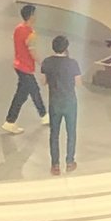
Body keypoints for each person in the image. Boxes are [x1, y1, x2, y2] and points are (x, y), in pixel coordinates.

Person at [2, 4, 49, 134]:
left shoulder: (18, 29)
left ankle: (10, 121)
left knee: (22, 95)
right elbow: (32, 51)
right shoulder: (30, 33)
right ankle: (44, 116)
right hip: (26, 67)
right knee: (34, 91)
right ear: (31, 16)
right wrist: (42, 64)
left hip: (18, 65)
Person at [41, 34, 81, 175]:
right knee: (71, 132)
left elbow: (43, 81)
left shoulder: (47, 62)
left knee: (54, 134)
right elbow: (79, 83)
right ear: (66, 47)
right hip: (70, 101)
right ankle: (70, 162)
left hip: (54, 102)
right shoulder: (73, 63)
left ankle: (55, 165)